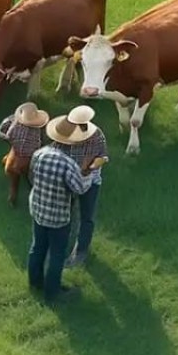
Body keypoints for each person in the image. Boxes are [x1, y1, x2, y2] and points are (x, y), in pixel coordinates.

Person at [27, 113, 95, 303]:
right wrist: (87, 173)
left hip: (38, 210)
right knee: (57, 254)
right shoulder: (68, 164)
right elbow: (79, 188)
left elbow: (31, 177)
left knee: (37, 247)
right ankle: (52, 291)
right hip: (58, 218)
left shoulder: (39, 154)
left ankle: (35, 282)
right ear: (72, 142)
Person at [57, 105, 107, 268]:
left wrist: (91, 166)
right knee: (66, 214)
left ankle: (80, 252)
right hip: (69, 180)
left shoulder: (97, 134)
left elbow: (103, 156)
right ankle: (62, 247)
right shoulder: (65, 133)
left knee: (87, 217)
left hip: (91, 181)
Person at [0, 102, 49, 206]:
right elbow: (39, 146)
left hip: (14, 158)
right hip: (28, 161)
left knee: (14, 181)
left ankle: (12, 197)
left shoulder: (15, 125)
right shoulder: (37, 131)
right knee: (32, 178)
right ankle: (35, 195)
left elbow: (8, 136)